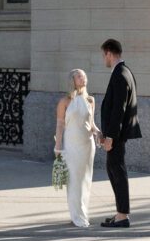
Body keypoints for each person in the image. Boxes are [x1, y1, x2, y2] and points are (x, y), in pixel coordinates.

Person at [99, 38, 141, 228]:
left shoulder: (120, 74)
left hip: (116, 136)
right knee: (113, 169)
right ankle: (120, 213)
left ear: (109, 52)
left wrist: (110, 137)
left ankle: (123, 215)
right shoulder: (124, 72)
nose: (104, 59)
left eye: (104, 55)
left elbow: (119, 109)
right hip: (116, 134)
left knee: (118, 171)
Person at [54, 68, 100, 228]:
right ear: (72, 80)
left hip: (88, 145)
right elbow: (60, 125)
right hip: (71, 146)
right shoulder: (64, 102)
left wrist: (99, 133)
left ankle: (83, 212)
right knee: (74, 181)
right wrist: (58, 146)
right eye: (79, 76)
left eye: (84, 76)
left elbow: (92, 124)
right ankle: (76, 215)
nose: (83, 78)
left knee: (86, 181)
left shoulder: (91, 100)